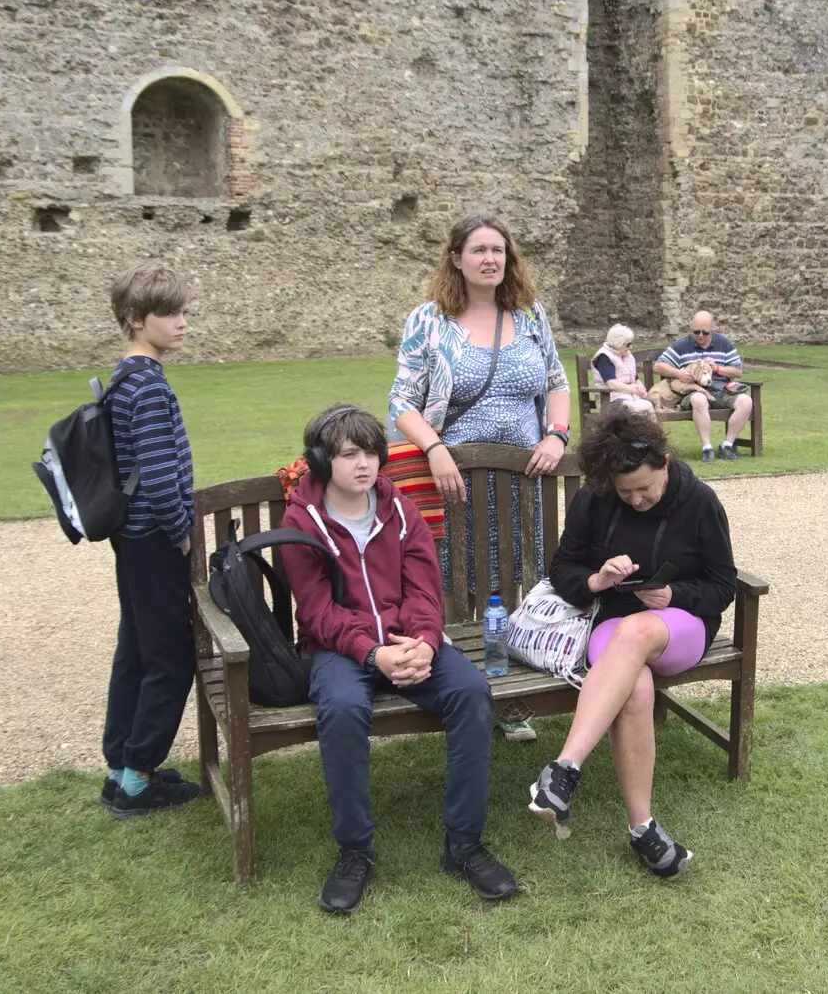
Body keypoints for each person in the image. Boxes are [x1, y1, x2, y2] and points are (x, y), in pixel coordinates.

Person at [281, 404, 520, 914]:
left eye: (370, 452)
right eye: (348, 455)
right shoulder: (302, 521)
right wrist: (373, 653)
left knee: (472, 693)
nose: (363, 465)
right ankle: (355, 850)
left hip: (409, 640)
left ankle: (463, 844)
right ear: (321, 462)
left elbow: (425, 590)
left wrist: (427, 643)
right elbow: (318, 611)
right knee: (343, 709)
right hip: (341, 649)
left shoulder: (399, 508)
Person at [527, 406, 736, 878]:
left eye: (645, 488)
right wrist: (597, 580)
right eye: (627, 493)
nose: (637, 500)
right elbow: (563, 569)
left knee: (638, 630)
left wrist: (674, 594)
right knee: (634, 688)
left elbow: (723, 586)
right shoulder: (595, 499)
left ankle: (564, 769)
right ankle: (643, 829)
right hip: (610, 625)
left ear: (664, 463)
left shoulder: (700, 502)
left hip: (678, 628)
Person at [388, 211, 572, 745]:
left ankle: (509, 697)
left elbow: (557, 382)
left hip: (519, 478)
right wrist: (435, 447)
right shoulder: (428, 320)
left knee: (509, 578)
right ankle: (453, 693)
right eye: (478, 250)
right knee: (446, 580)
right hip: (452, 481)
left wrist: (556, 435)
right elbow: (402, 402)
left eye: (498, 250)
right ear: (456, 259)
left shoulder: (531, 314)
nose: (490, 259)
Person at [101, 260, 206, 818]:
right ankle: (137, 783)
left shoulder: (125, 377)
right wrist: (183, 538)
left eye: (185, 311)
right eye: (170, 313)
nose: (182, 323)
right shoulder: (145, 386)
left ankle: (121, 767)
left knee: (137, 651)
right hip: (153, 539)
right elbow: (161, 478)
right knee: (171, 657)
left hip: (131, 538)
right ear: (136, 319)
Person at [653, 310, 753, 462]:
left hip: (720, 391)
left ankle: (727, 445)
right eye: (696, 331)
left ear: (713, 328)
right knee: (699, 399)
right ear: (691, 328)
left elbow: (737, 371)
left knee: (746, 401)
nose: (700, 335)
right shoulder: (681, 345)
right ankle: (707, 448)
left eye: (705, 332)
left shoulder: (724, 343)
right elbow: (658, 366)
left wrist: (717, 368)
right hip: (692, 392)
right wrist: (679, 373)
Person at [590, 324, 654, 413]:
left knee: (649, 406)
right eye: (628, 344)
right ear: (618, 343)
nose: (630, 347)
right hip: (610, 399)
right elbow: (612, 383)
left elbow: (635, 379)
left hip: (631, 398)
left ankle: (654, 427)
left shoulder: (628, 356)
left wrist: (640, 388)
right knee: (637, 409)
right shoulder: (604, 357)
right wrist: (632, 389)